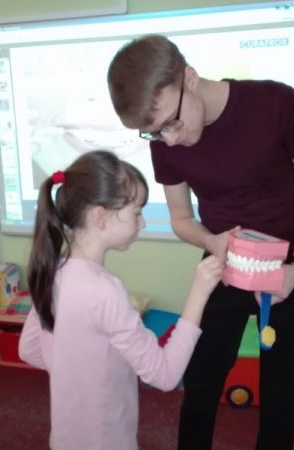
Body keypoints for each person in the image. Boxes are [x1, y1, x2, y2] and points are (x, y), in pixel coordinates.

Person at [107, 35, 294, 450]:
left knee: (280, 393)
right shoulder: (166, 141)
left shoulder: (278, 105)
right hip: (222, 265)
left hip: (291, 268)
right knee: (201, 381)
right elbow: (182, 219)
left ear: (189, 78)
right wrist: (213, 241)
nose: (168, 140)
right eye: (153, 134)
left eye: (171, 123)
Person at [18, 150, 224, 450]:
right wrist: (199, 293)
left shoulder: (54, 272)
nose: (142, 224)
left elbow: (29, 350)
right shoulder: (104, 290)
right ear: (100, 217)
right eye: (136, 212)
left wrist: (78, 371)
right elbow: (165, 375)